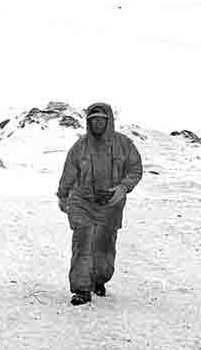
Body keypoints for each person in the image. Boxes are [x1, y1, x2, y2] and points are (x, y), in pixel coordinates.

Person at [57, 102, 143, 305]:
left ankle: (98, 279)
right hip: (82, 201)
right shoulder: (80, 147)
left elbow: (135, 169)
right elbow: (69, 172)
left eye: (101, 120)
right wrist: (63, 195)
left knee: (104, 245)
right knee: (83, 241)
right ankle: (81, 288)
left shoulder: (124, 144)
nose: (97, 124)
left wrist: (122, 188)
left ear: (109, 121)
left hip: (111, 204)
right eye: (92, 120)